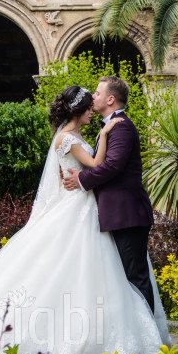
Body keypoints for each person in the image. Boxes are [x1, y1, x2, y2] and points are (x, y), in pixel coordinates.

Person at [0, 85, 169, 354]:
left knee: (100, 273)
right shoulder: (73, 137)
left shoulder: (101, 130)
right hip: (81, 208)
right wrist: (94, 154)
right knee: (82, 271)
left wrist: (84, 173)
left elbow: (102, 166)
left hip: (94, 208)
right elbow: (96, 163)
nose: (93, 103)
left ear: (108, 99)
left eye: (98, 93)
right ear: (80, 110)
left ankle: (120, 333)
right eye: (90, 99)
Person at [63, 76, 155, 312]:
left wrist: (81, 179)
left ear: (110, 99)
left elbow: (113, 166)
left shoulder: (121, 126)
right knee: (125, 277)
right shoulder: (109, 126)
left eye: (97, 93)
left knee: (136, 277)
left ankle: (150, 339)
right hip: (117, 214)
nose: (92, 97)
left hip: (127, 214)